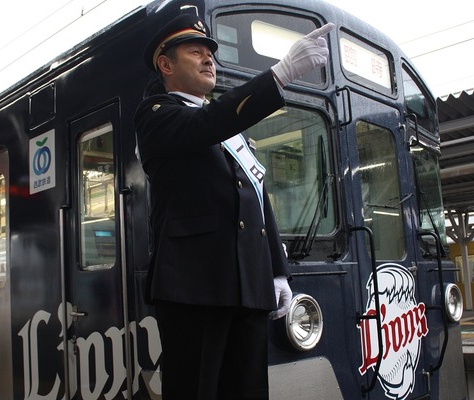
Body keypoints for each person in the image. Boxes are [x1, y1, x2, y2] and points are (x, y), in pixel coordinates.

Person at [134, 13, 333, 399]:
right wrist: (280, 75)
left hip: (247, 284)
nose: (210, 59)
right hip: (196, 285)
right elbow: (206, 123)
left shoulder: (226, 129)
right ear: (166, 64)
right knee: (196, 390)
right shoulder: (157, 115)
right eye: (196, 51)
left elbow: (257, 197)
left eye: (211, 52)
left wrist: (277, 270)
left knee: (248, 391)